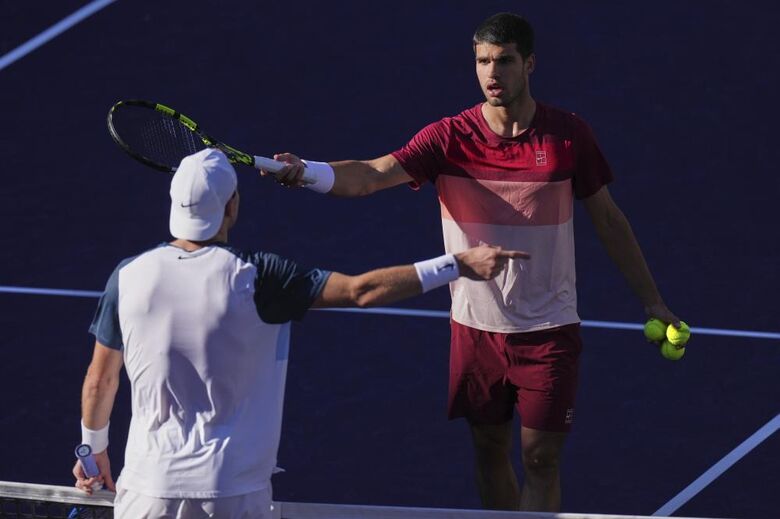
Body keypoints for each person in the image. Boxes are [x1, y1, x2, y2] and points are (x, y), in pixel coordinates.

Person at [266, 12, 681, 513]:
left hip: (548, 328)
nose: (492, 73)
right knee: (487, 449)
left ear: (528, 63)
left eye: (504, 61)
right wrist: (307, 172)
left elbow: (610, 222)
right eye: (483, 61)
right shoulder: (448, 137)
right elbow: (372, 175)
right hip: (474, 329)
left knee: (541, 459)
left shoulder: (568, 136)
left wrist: (653, 301)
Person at [71, 148, 527, 519]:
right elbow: (360, 291)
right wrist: (456, 264)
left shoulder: (126, 276)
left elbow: (100, 380)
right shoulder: (258, 276)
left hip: (146, 491)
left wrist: (93, 454)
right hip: (230, 493)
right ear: (232, 206)